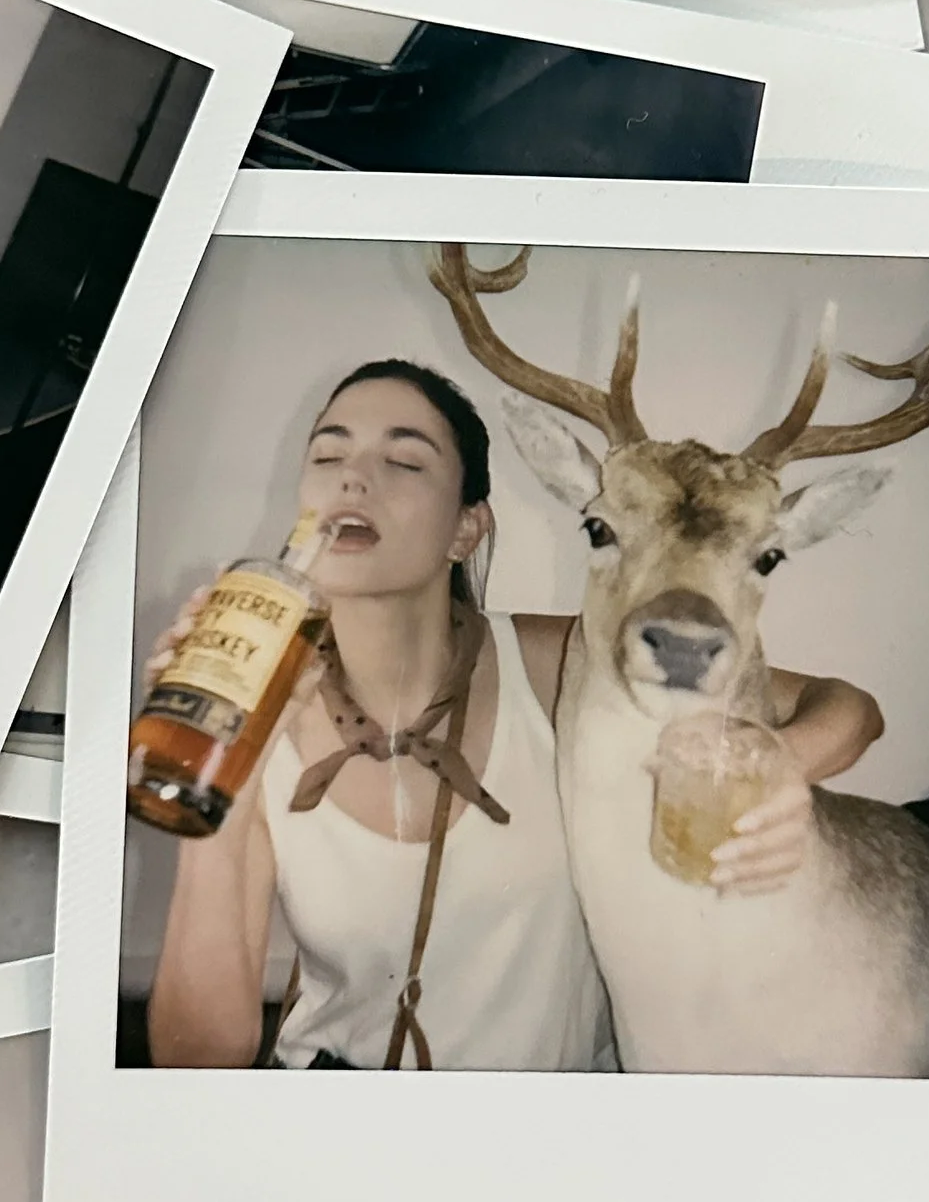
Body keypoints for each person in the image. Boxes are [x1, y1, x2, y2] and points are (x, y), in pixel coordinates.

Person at [145, 358, 885, 1068]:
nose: (353, 477)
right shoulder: (256, 710)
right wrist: (217, 772)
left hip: (550, 1127)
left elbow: (848, 708)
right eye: (328, 455)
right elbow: (199, 1057)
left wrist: (780, 768)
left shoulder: (562, 662)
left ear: (466, 529)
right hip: (341, 1113)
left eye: (402, 461)